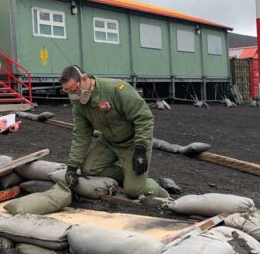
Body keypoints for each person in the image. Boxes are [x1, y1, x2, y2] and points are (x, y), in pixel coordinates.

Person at [59, 65, 176, 199]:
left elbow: (143, 117)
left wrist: (141, 148)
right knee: (88, 169)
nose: (72, 94)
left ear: (84, 79)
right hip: (109, 142)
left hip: (133, 143)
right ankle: (130, 177)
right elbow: (81, 135)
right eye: (67, 91)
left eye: (73, 89)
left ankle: (154, 187)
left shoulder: (116, 89)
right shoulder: (79, 105)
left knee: (133, 191)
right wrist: (72, 167)